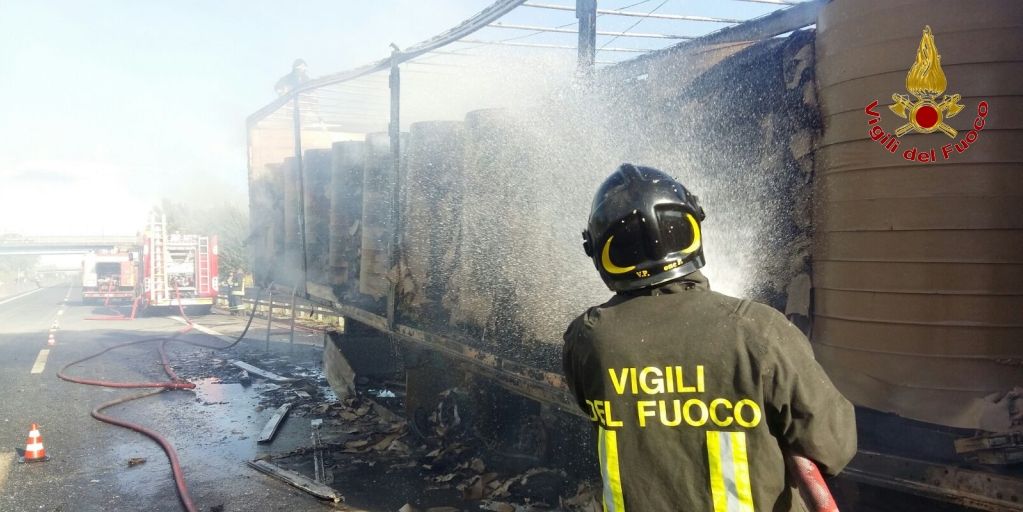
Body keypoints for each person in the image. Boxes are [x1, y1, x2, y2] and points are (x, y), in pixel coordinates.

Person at [563, 164, 856, 511]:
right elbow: (835, 444)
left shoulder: (588, 339)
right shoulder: (759, 330)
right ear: (691, 227)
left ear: (600, 250)